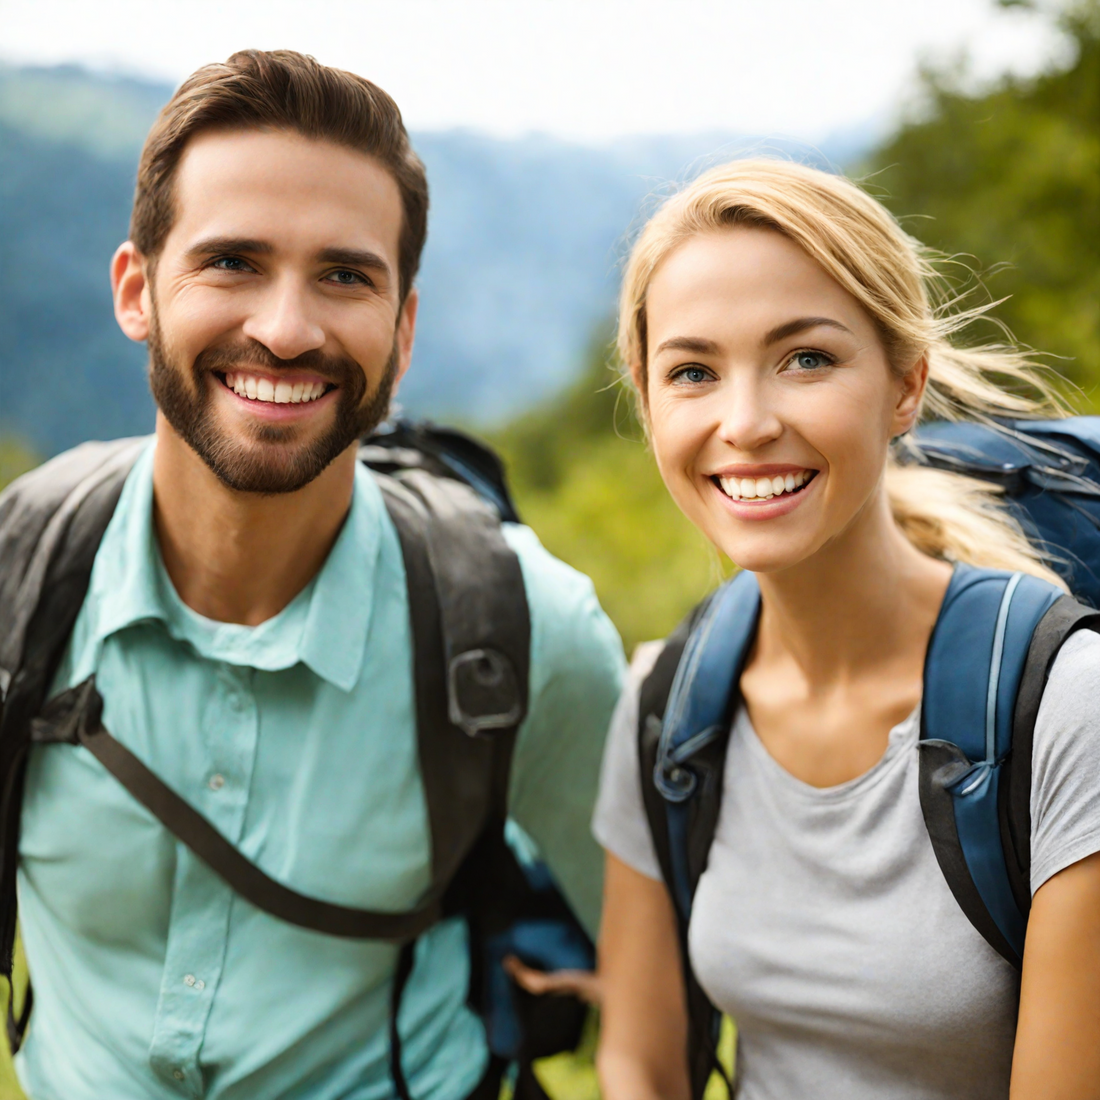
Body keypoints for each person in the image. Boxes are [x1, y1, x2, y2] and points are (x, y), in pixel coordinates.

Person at [0, 50, 624, 1099]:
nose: (285, 330)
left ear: (403, 329)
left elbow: (663, 960)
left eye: (343, 275)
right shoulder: (21, 578)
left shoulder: (521, 629)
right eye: (232, 261)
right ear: (136, 290)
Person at [592, 159, 1100, 1100]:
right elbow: (636, 1061)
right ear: (647, 396)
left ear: (905, 385)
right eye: (693, 371)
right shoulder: (669, 702)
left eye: (806, 359)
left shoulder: (1066, 706)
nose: (744, 423)